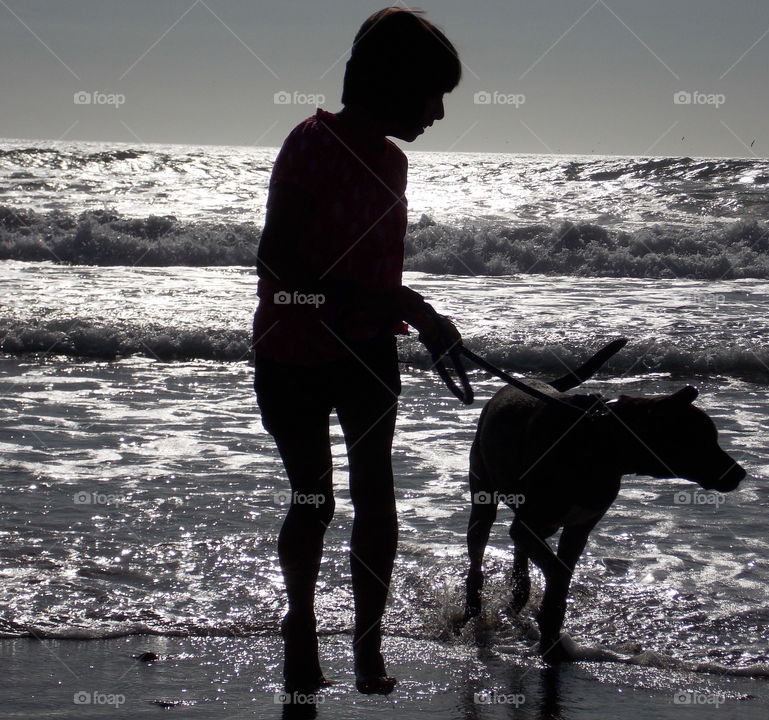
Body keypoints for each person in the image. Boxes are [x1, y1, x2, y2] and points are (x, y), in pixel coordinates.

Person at [251, 7, 462, 696]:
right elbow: (278, 262)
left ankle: (367, 647)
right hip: (291, 350)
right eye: (431, 94)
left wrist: (417, 312)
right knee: (313, 499)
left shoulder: (393, 164)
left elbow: (373, 274)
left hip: (368, 352)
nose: (437, 112)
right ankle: (302, 626)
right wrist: (393, 303)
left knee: (376, 497)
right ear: (391, 84)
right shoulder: (309, 145)